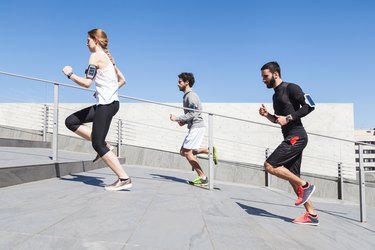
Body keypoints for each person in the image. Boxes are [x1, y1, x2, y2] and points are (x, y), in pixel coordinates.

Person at [62, 28, 132, 191]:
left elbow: (86, 83)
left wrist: (69, 74)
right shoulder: (108, 58)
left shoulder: (95, 56)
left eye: (88, 39)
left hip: (106, 105)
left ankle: (124, 178)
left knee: (98, 145)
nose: (86, 42)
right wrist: (103, 90)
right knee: (71, 121)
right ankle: (106, 145)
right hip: (108, 103)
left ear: (96, 40)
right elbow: (123, 80)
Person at [259, 61, 318, 225]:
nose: (263, 80)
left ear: (275, 74)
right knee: (293, 178)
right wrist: (267, 115)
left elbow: (311, 106)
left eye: (265, 76)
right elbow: (280, 120)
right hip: (289, 135)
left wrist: (289, 118)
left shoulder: (292, 88)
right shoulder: (275, 95)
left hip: (297, 135)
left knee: (269, 165)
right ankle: (312, 215)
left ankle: (306, 185)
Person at [170, 72, 218, 186]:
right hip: (195, 126)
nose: (178, 84)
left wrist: (177, 118)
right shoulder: (187, 95)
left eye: (180, 81)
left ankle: (202, 177)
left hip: (197, 126)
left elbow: (193, 113)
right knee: (183, 152)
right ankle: (209, 150)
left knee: (187, 152)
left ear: (187, 82)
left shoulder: (191, 95)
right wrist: (184, 121)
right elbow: (192, 114)